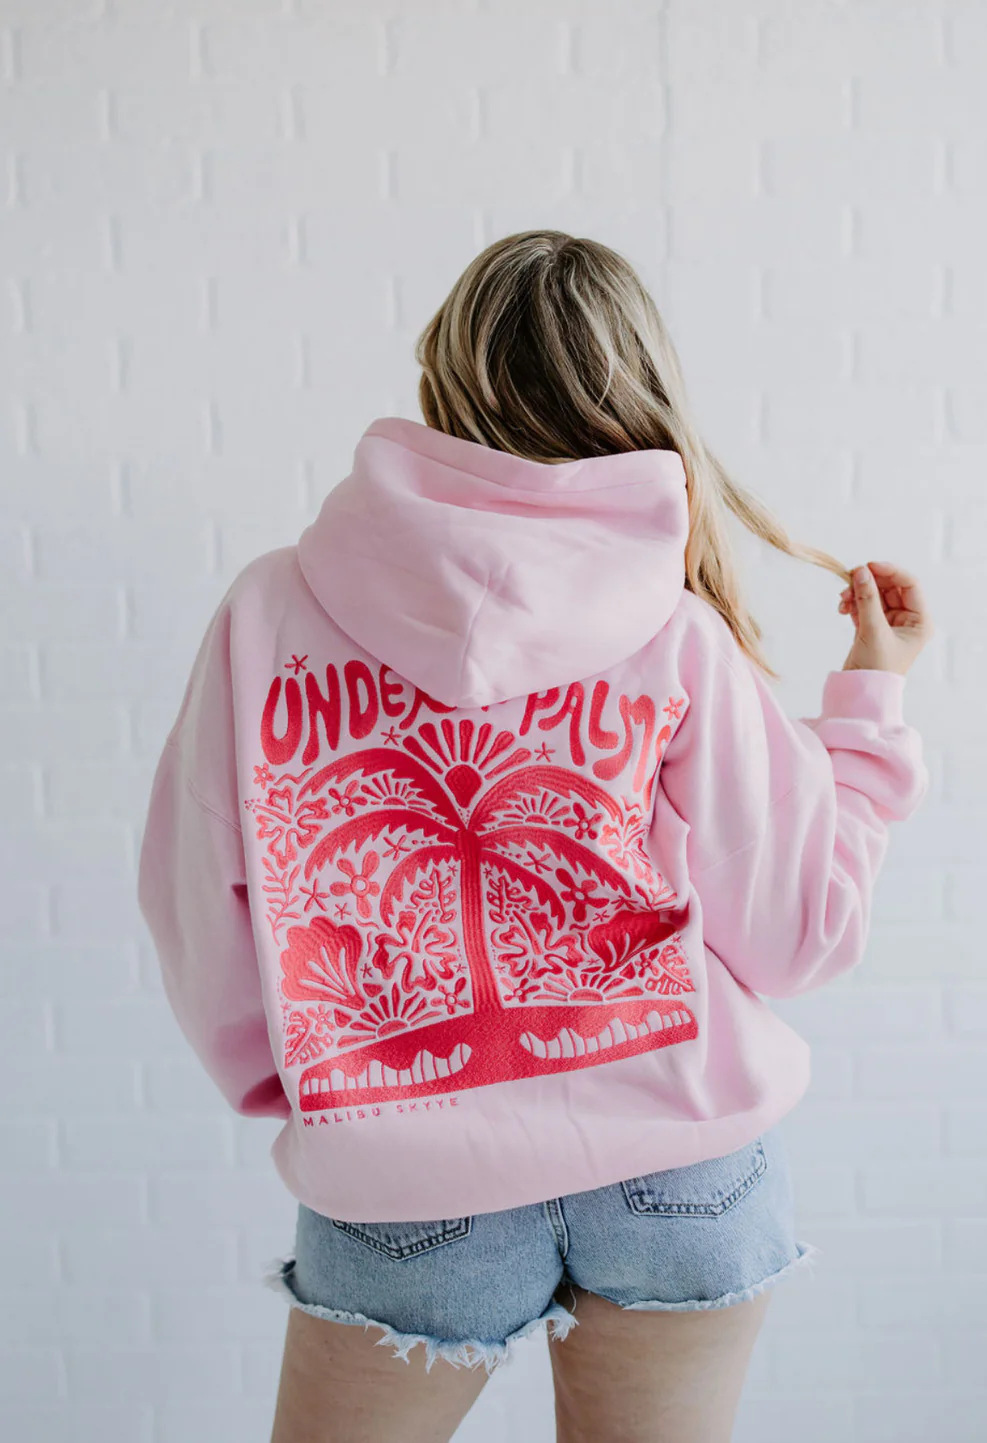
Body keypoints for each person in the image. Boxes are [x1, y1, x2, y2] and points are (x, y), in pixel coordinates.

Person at [137, 229, 933, 1443]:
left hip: (399, 1174)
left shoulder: (267, 612)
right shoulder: (674, 632)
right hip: (682, 1163)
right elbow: (798, 934)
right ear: (640, 390)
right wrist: (869, 709)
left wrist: (304, 1073)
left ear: (442, 376)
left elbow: (197, 893)